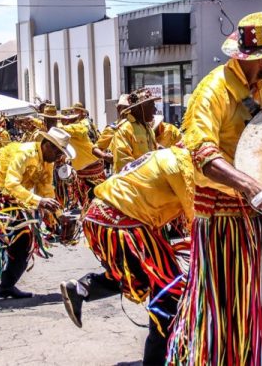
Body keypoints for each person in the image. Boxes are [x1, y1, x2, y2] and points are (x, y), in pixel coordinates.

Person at [167, 11, 262, 364]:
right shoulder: (213, 90)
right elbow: (201, 152)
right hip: (224, 223)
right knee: (229, 313)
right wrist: (250, 186)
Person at [60, 145, 194, 364]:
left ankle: (83, 287)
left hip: (112, 216)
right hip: (121, 221)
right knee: (168, 287)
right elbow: (196, 217)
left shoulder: (170, 154)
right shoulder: (180, 165)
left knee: (143, 278)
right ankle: (156, 360)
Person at [0, 127, 73, 298]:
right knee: (24, 238)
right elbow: (11, 184)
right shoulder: (25, 153)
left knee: (25, 241)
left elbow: (46, 189)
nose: (59, 157)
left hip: (17, 200)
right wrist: (39, 201)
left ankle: (7, 284)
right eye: (58, 152)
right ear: (47, 145)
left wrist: (59, 215)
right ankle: (6, 284)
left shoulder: (47, 162)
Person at [110, 88, 159, 174]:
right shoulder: (124, 129)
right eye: (151, 106)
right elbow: (123, 164)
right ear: (140, 107)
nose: (155, 110)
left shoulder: (148, 128)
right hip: (133, 184)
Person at [92, 94, 129, 167]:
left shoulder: (141, 126)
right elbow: (95, 149)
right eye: (125, 108)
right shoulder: (113, 128)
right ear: (118, 109)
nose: (128, 111)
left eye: (131, 108)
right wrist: (105, 156)